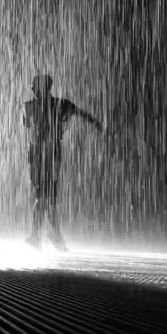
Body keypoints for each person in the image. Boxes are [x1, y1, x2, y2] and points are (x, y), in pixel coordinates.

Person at [23, 74, 102, 251]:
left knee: (44, 195)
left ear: (41, 88)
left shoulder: (31, 106)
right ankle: (52, 234)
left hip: (39, 153)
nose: (33, 90)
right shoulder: (60, 104)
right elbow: (81, 113)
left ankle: (42, 235)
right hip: (49, 153)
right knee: (47, 196)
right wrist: (95, 123)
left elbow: (29, 126)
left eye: (34, 87)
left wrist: (94, 123)